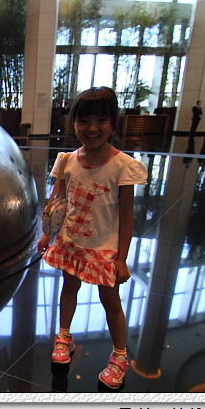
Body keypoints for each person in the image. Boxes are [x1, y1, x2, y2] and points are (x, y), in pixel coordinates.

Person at [37, 86, 147, 390]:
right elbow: (58, 202)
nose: (92, 128)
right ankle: (64, 336)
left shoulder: (123, 165)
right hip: (71, 242)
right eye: (83, 120)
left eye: (101, 120)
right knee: (68, 288)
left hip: (104, 248)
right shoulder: (67, 160)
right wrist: (47, 234)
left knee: (110, 300)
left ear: (113, 122)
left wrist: (121, 259)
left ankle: (120, 356)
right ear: (73, 123)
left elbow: (127, 218)